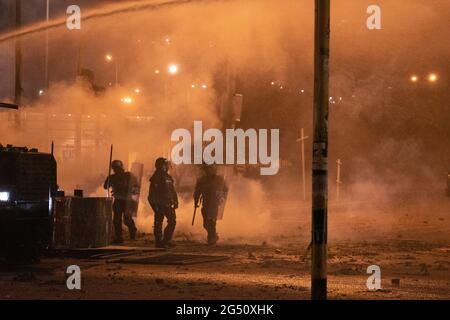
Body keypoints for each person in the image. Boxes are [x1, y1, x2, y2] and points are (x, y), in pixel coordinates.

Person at [103, 160, 138, 244]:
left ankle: (132, 232)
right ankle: (119, 237)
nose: (117, 169)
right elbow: (105, 186)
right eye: (116, 168)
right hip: (119, 200)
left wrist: (133, 195)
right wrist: (109, 180)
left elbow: (135, 185)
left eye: (117, 168)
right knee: (117, 220)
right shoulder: (113, 177)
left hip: (127, 200)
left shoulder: (128, 175)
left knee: (126, 219)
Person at [194, 164, 228, 245]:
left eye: (211, 169)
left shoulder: (220, 179)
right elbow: (197, 191)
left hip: (214, 204)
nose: (209, 171)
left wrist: (222, 199)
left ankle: (211, 239)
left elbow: (225, 189)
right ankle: (214, 235)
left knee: (211, 221)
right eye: (208, 169)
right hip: (205, 204)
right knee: (205, 224)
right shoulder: (202, 180)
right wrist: (196, 201)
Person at [148, 157, 178, 248]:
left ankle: (166, 240)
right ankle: (159, 242)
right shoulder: (156, 178)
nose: (167, 167)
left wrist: (176, 200)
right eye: (165, 165)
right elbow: (151, 194)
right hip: (160, 203)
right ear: (161, 166)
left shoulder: (168, 177)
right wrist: (154, 205)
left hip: (168, 203)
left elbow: (172, 190)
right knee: (158, 222)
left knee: (172, 221)